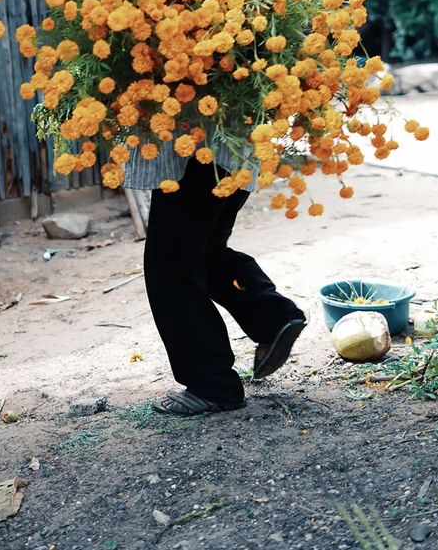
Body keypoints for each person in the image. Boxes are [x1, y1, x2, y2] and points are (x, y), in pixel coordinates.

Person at [126, 144, 307, 416]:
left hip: (196, 147)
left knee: (171, 265)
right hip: (230, 144)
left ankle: (211, 385)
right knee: (203, 251)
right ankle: (273, 317)